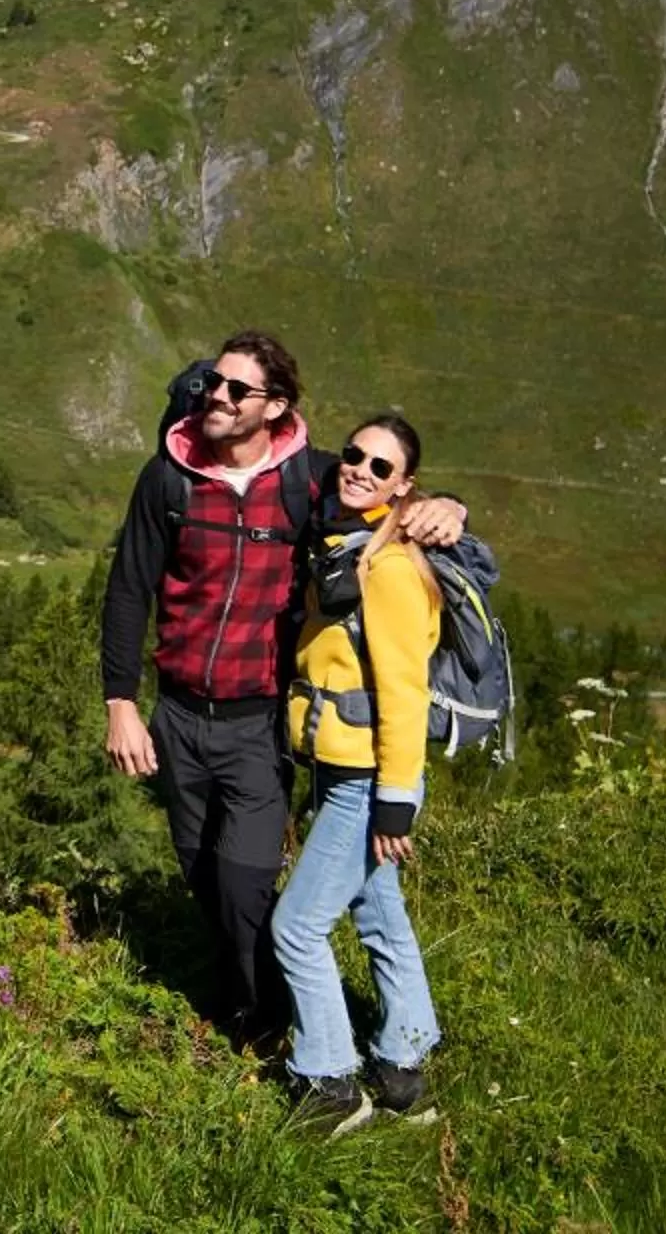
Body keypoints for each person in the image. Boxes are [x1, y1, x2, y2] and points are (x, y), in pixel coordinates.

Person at [99, 334, 462, 1050]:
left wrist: (451, 507)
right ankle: (247, 1008)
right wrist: (120, 704)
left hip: (259, 723)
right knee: (204, 876)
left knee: (246, 885)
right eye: (213, 382)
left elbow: (383, 493)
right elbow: (129, 589)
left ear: (276, 407)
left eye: (238, 389)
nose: (218, 397)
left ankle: (282, 1028)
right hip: (177, 715)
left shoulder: (309, 479)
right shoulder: (168, 478)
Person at [275, 410, 446, 1134]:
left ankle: (330, 1085)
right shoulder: (345, 543)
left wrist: (396, 801)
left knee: (296, 927)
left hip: (368, 780)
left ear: (403, 485)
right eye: (354, 455)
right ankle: (405, 1069)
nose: (360, 470)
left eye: (381, 466)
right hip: (341, 766)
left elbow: (406, 692)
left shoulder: (393, 569)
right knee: (379, 912)